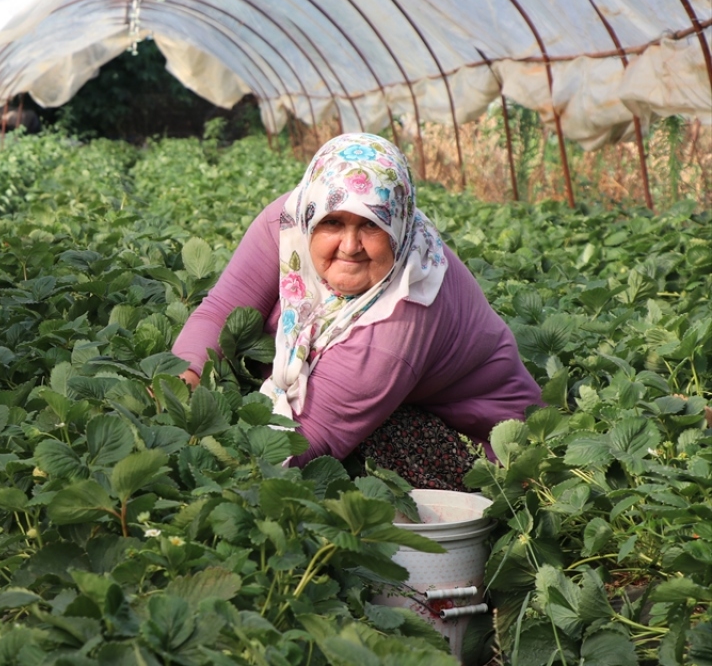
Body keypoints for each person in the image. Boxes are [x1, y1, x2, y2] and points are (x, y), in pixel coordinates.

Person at [171, 133, 541, 490]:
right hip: (389, 395)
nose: (350, 246)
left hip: (486, 444)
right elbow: (222, 310)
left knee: (354, 461)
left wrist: (205, 457)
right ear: (310, 212)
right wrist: (182, 383)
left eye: (371, 224)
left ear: (398, 224)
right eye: (332, 222)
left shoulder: (404, 312)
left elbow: (308, 441)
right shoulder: (288, 224)